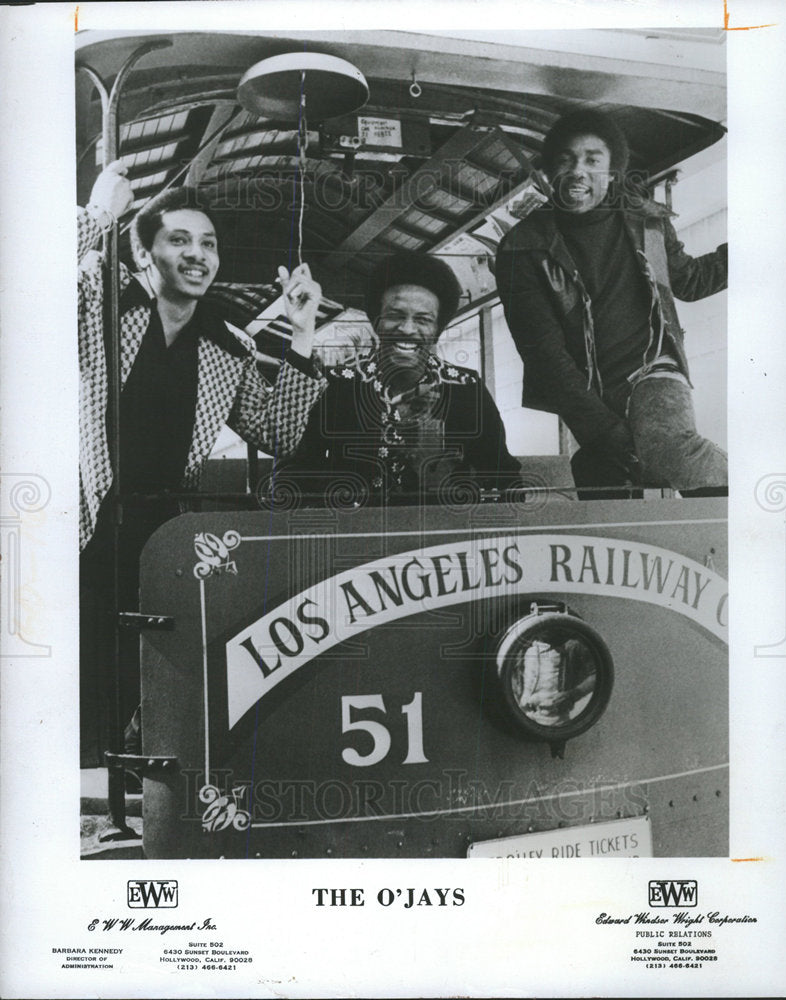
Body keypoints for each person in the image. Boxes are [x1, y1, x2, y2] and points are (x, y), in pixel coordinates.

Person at [78, 161, 326, 761]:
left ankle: (128, 781)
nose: (197, 254)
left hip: (163, 536)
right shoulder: (100, 303)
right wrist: (100, 213)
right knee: (77, 665)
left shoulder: (227, 343)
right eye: (179, 240)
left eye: (208, 243)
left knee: (142, 673)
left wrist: (301, 335)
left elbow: (277, 432)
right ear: (143, 254)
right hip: (85, 524)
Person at [495, 109, 728, 494]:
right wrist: (601, 429)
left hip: (654, 367)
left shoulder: (648, 222)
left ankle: (748, 514)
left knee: (675, 450)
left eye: (592, 160)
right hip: (586, 386)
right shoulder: (522, 248)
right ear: (550, 170)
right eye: (566, 160)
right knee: (606, 476)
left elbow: (690, 280)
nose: (578, 171)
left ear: (612, 171)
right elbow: (544, 354)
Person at [278, 252, 522, 503]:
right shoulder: (338, 384)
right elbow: (294, 474)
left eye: (423, 319)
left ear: (437, 329)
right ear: (376, 322)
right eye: (395, 316)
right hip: (356, 526)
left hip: (445, 527)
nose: (407, 329)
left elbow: (504, 478)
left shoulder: (465, 388)